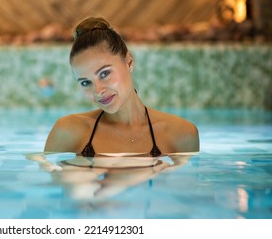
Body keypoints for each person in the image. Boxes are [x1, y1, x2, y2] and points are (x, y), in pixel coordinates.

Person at [44, 16, 199, 156]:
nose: (98, 90)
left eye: (104, 74)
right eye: (86, 82)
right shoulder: (68, 131)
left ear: (129, 62)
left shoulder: (182, 135)